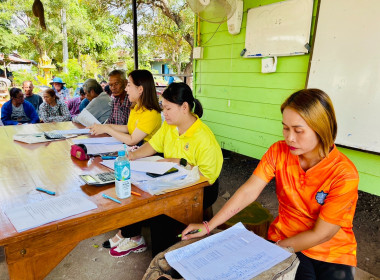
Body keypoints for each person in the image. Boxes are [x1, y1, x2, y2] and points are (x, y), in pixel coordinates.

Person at [182, 89, 359, 280]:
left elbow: (321, 234)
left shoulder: (344, 173)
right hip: (285, 239)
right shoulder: (279, 151)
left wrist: (271, 252)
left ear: (322, 128)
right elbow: (249, 191)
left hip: (333, 253)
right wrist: (209, 226)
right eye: (285, 128)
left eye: (298, 130)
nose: (289, 137)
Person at [101, 82, 223, 258]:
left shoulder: (204, 137)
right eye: (163, 108)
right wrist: (132, 157)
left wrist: (178, 162)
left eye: (168, 108)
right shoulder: (169, 126)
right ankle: (133, 236)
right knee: (136, 191)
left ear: (185, 107)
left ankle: (163, 262)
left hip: (201, 188)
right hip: (172, 180)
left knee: (161, 214)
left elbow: (206, 178)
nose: (163, 113)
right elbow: (152, 145)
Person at [89, 69, 161, 146]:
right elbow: (128, 128)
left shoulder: (151, 113)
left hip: (146, 156)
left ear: (140, 89)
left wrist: (107, 129)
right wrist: (104, 126)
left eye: (129, 85)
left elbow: (132, 140)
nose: (126, 89)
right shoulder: (136, 107)